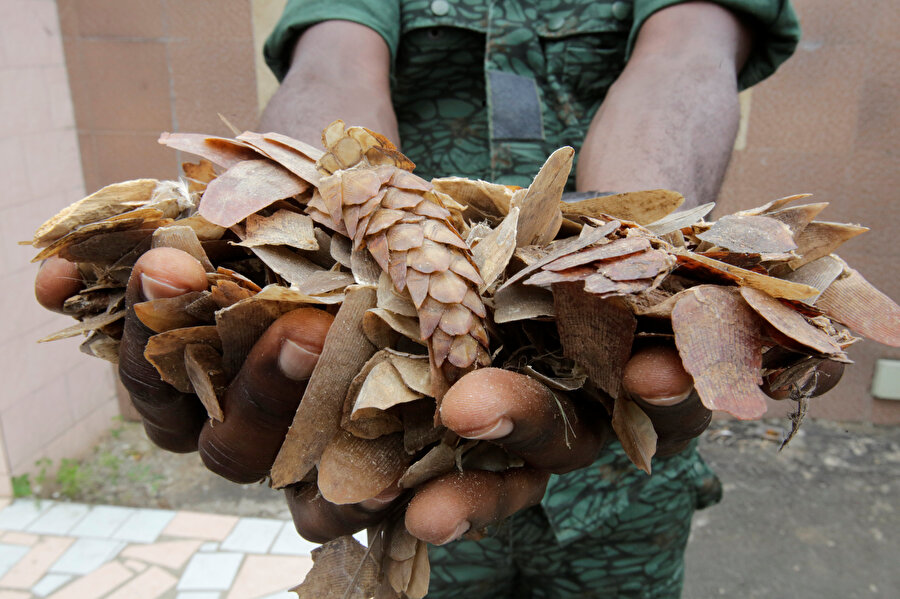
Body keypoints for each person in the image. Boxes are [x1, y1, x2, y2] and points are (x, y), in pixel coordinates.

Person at [34, 1, 812, 596]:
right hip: (404, 435)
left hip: (624, 465)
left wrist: (620, 269)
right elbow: (334, 65)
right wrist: (297, 237)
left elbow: (685, 54)